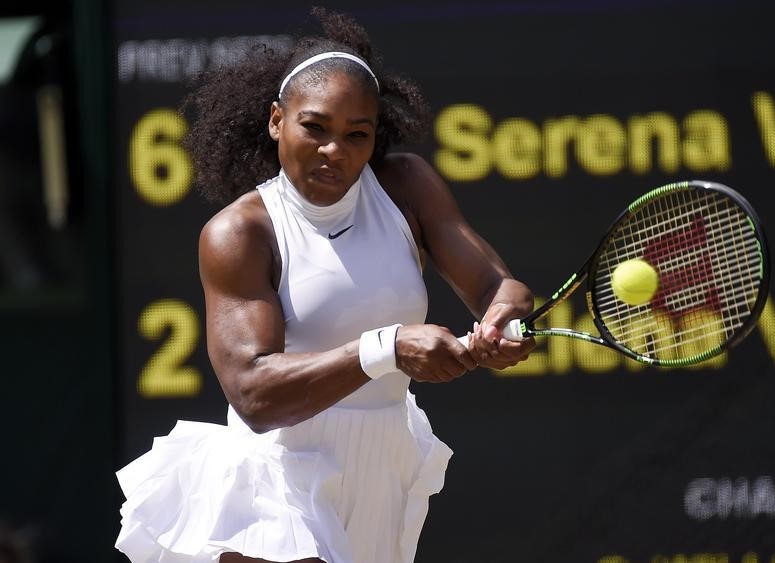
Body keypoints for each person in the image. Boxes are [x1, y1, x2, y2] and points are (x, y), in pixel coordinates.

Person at [115, 8, 535, 563]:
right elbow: (254, 392)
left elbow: (495, 284)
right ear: (276, 121)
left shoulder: (406, 186)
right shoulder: (240, 232)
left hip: (382, 468)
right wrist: (388, 347)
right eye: (314, 127)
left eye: (356, 135)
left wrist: (503, 319)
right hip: (279, 470)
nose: (334, 151)